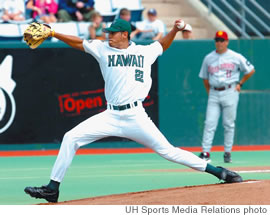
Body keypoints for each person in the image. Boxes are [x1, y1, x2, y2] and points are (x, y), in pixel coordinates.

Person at [24, 19, 243, 203]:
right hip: (110, 115)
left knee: (168, 151)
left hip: (136, 116)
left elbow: (162, 45)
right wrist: (53, 31)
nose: (108, 35)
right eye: (108, 32)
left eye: (113, 33)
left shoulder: (144, 52)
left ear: (125, 34)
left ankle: (219, 172)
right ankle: (53, 188)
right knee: (71, 137)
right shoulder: (102, 48)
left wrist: (175, 30)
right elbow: (78, 42)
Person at [198, 30, 255, 163]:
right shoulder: (208, 58)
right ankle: (205, 152)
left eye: (222, 40)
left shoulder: (235, 56)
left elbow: (251, 69)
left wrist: (240, 83)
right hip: (214, 92)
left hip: (230, 90)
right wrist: (209, 92)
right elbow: (204, 78)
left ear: (227, 42)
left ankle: (227, 152)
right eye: (217, 40)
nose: (219, 43)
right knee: (209, 123)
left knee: (228, 124)